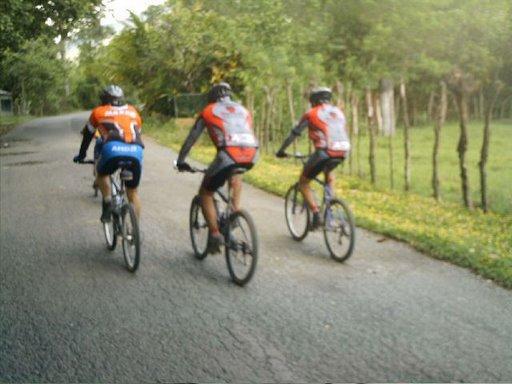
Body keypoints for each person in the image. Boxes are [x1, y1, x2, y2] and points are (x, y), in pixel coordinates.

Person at [176, 82, 258, 253]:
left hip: (227, 155)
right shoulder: (243, 110)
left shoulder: (209, 110)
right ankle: (234, 213)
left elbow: (192, 138)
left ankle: (214, 235)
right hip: (251, 153)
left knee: (206, 192)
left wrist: (181, 160)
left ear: (211, 97)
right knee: (235, 174)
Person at [276, 86, 350, 229]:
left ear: (313, 100)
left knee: (303, 182)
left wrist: (281, 150)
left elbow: (294, 134)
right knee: (329, 173)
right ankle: (330, 205)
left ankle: (316, 215)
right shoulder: (338, 112)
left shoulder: (311, 113)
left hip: (324, 151)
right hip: (343, 150)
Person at [73, 85, 144, 222]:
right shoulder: (132, 110)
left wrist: (81, 155)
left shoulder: (98, 112)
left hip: (112, 151)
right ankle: (133, 232)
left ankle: (107, 200)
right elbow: (138, 132)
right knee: (133, 192)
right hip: (135, 151)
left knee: (101, 174)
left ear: (103, 99)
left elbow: (88, 136)